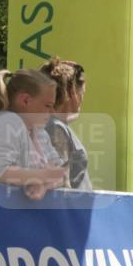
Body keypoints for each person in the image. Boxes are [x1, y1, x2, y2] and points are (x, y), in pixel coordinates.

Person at [0, 68, 67, 200]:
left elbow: (61, 173)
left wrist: (44, 185)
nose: (52, 112)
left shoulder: (39, 132)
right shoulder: (8, 121)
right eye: (47, 105)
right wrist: (40, 176)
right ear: (25, 100)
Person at [40, 57, 92, 190]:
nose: (82, 99)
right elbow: (61, 183)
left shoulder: (54, 124)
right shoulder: (55, 128)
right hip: (70, 208)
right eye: (82, 93)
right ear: (72, 91)